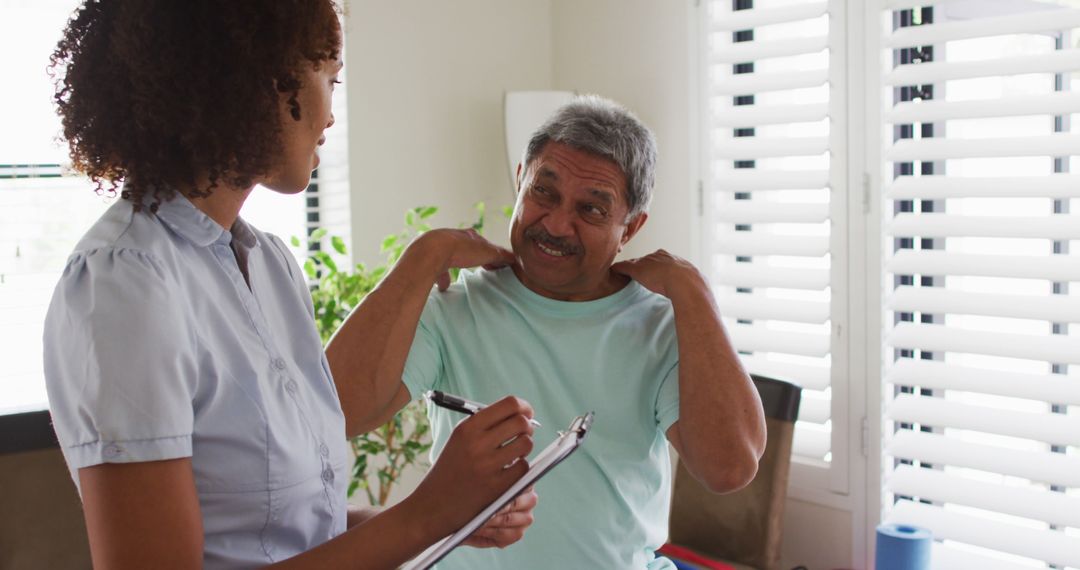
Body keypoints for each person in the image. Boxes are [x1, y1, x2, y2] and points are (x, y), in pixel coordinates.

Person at [42, 1, 539, 568]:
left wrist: (447, 520)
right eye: (328, 78)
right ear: (258, 83)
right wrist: (424, 513)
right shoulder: (125, 285)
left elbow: (289, 534)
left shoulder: (269, 264)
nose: (331, 113)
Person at [329, 95, 768, 568]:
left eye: (592, 210)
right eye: (544, 192)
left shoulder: (660, 325)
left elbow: (730, 468)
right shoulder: (458, 306)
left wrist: (694, 293)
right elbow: (330, 414)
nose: (557, 224)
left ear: (631, 228)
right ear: (520, 180)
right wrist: (422, 256)